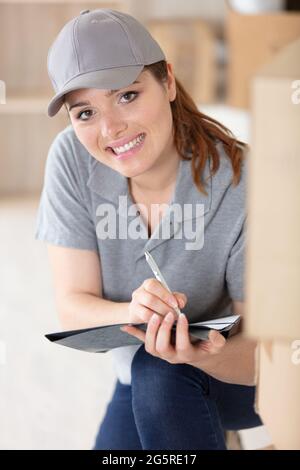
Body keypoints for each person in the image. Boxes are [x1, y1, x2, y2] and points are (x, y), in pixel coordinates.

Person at [35, 9, 262, 450]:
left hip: (239, 374)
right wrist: (138, 313)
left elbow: (262, 352)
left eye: (127, 95)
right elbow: (72, 305)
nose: (110, 129)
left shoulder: (240, 179)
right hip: (143, 379)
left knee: (159, 372)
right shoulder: (71, 161)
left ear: (169, 82)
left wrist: (201, 354)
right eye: (84, 112)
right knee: (151, 375)